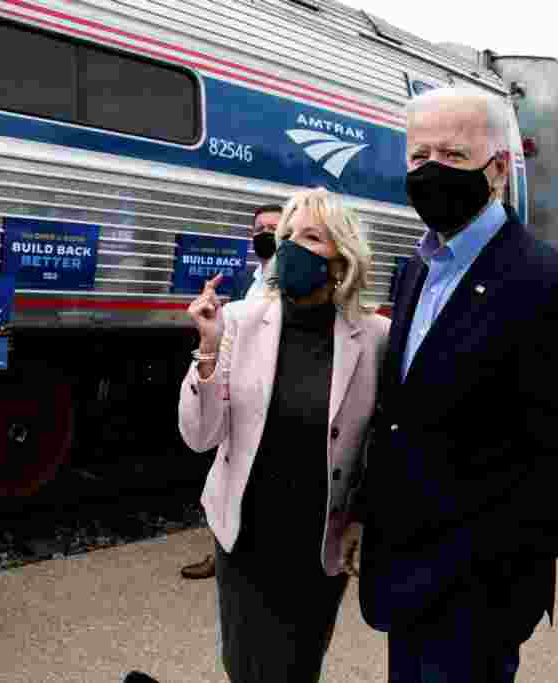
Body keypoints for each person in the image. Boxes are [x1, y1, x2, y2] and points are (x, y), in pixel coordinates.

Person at [348, 87, 558, 682]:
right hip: (404, 577)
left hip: (478, 597)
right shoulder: (420, 267)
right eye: (417, 157)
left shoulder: (548, 285)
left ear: (497, 168)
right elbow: (403, 414)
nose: (429, 172)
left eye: (450, 154)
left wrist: (497, 563)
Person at [178, 188, 389, 682]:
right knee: (247, 665)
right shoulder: (237, 323)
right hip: (247, 536)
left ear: (342, 258)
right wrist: (206, 352)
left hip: (319, 544)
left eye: (310, 236)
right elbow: (200, 436)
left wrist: (362, 518)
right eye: (286, 234)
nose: (290, 245)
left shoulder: (374, 338)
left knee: (297, 667)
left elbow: (382, 442)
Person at [181, 202, 282, 580]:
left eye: (274, 227)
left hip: (264, 389)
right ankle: (222, 549)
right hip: (229, 379)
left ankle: (238, 555)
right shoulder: (247, 279)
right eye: (258, 228)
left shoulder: (289, 280)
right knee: (222, 465)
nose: (265, 234)